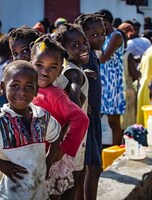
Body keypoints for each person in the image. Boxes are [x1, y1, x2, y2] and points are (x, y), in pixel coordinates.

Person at [0, 60, 62, 199]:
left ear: (36, 91)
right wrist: (0, 164)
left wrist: (48, 161)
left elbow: (57, 135)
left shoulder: (42, 117)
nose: (21, 92)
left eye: (29, 87)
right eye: (15, 85)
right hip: (10, 195)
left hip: (38, 194)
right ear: (3, 87)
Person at [29, 34, 89, 200]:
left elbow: (81, 119)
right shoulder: (29, 91)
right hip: (34, 157)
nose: (44, 72)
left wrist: (64, 150)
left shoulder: (55, 95)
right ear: (30, 63)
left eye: (52, 67)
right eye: (39, 65)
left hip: (51, 162)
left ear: (60, 71)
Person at [54, 23, 90, 200]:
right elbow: (75, 102)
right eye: (75, 45)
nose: (83, 48)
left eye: (84, 42)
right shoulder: (74, 74)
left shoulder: (74, 70)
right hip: (74, 139)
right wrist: (81, 103)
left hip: (75, 137)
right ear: (64, 50)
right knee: (71, 185)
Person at [75, 13, 106, 200]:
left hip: (93, 117)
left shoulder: (92, 55)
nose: (101, 38)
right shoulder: (85, 55)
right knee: (92, 167)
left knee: (90, 167)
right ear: (83, 35)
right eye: (94, 34)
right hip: (87, 117)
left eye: (102, 33)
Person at [0, 25, 42, 117]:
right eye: (15, 53)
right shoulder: (14, 75)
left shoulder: (45, 75)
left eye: (25, 50)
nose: (19, 57)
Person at [98, 9, 125, 146]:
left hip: (113, 84)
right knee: (96, 120)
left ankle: (116, 151)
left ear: (107, 23)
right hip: (102, 83)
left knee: (113, 122)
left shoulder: (116, 36)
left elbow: (103, 58)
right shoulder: (103, 37)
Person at [117, 23, 141, 130]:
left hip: (116, 92)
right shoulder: (128, 55)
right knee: (128, 123)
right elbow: (135, 75)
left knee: (117, 123)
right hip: (127, 90)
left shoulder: (110, 54)